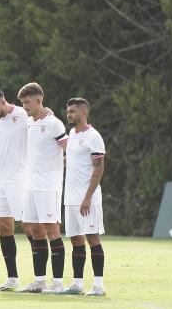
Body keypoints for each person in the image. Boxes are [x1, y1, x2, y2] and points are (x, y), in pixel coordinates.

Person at [16, 83, 68, 294]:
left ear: (38, 101)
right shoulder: (28, 122)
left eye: (27, 103)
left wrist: (60, 167)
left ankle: (57, 284)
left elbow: (69, 148)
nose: (25, 107)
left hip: (48, 186)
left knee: (51, 230)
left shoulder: (54, 124)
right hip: (30, 185)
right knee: (32, 228)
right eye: (22, 103)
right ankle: (39, 282)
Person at [0, 88, 28, 291]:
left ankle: (41, 278)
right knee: (4, 227)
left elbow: (40, 118)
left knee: (29, 226)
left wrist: (48, 113)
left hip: (20, 177)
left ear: (3, 102)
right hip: (1, 178)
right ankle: (12, 278)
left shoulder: (22, 114)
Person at [62, 97, 107, 296]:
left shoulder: (94, 136)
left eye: (72, 111)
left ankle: (98, 285)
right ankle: (77, 284)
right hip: (70, 198)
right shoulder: (71, 133)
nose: (69, 114)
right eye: (68, 111)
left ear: (83, 112)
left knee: (92, 238)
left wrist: (88, 197)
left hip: (87, 198)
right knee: (75, 240)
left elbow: (99, 169)